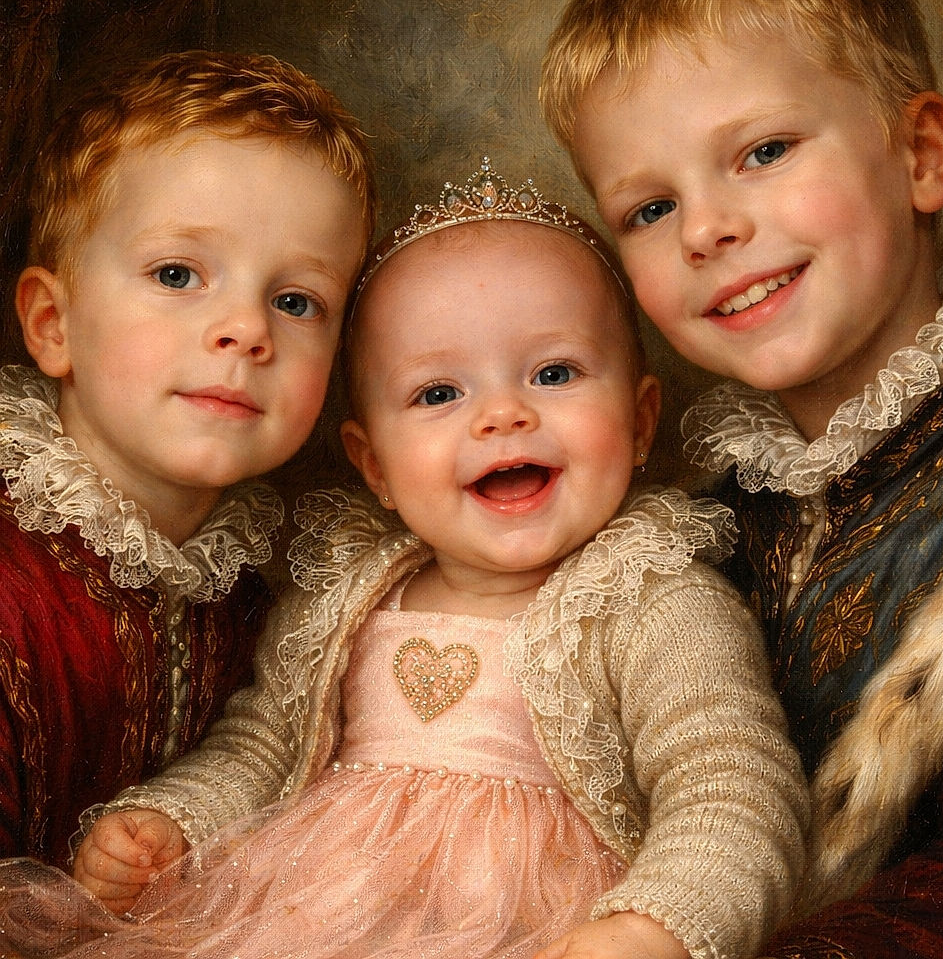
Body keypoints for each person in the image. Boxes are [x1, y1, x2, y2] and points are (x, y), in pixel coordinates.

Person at [0, 160, 808, 959]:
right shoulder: (348, 593)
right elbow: (261, 748)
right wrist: (172, 823)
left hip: (537, 928)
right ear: (375, 465)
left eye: (553, 373)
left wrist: (654, 926)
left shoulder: (655, 602)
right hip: (308, 912)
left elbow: (735, 790)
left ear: (639, 423)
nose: (501, 416)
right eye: (438, 394)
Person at [537, 0, 943, 956]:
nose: (705, 229)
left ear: (920, 154)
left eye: (762, 152)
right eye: (649, 207)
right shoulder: (681, 523)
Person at [0, 49, 376, 871]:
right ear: (53, 324)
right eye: (178, 274)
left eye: (295, 300)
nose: (246, 329)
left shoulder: (250, 597)